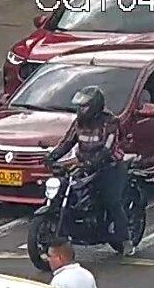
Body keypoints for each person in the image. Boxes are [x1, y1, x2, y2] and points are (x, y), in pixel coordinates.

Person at [45, 85, 134, 255]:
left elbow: (107, 149)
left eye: (84, 106)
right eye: (79, 106)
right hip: (85, 165)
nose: (81, 110)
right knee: (67, 189)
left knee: (111, 201)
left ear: (95, 106)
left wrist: (95, 161)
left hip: (110, 166)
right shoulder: (79, 122)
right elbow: (67, 142)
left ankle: (125, 239)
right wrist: (52, 157)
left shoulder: (110, 122)